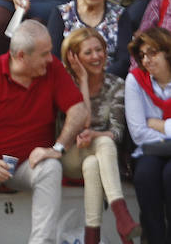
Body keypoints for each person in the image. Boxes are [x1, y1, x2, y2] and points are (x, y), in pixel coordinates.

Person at [0, 20, 87, 244]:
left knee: (51, 167)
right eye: (44, 54)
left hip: (25, 166)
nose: (51, 59)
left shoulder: (52, 69)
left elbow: (78, 110)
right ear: (21, 56)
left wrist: (57, 147)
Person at [59, 28, 140, 244]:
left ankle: (91, 237)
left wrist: (94, 134)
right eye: (88, 52)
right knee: (100, 144)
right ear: (73, 57)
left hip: (101, 155)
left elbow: (117, 132)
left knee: (96, 158)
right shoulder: (65, 83)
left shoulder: (117, 85)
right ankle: (122, 216)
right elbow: (81, 123)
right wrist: (83, 82)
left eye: (100, 50)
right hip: (70, 155)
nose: (96, 57)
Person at [47, 0, 132, 77]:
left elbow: (123, 60)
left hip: (109, 83)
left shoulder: (120, 15)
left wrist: (97, 80)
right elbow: (53, 58)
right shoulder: (61, 14)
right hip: (69, 83)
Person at [125, 27, 171, 243]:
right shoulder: (135, 81)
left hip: (158, 147)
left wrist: (162, 126)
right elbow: (139, 134)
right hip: (149, 151)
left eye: (153, 53)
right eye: (142, 55)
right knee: (146, 175)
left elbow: (148, 128)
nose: (146, 60)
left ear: (167, 52)